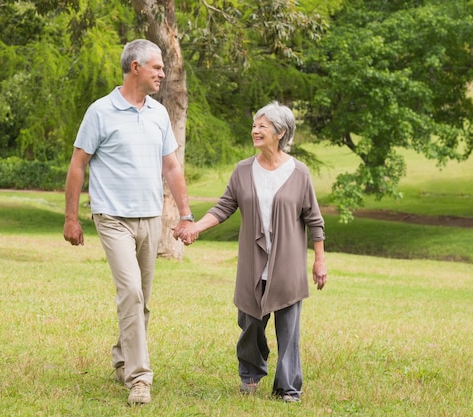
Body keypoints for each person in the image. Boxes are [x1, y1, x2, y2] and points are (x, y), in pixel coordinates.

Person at [63, 39, 195, 406]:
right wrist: (71, 218)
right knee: (131, 293)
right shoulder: (100, 112)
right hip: (112, 217)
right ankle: (139, 378)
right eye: (156, 67)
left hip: (150, 217)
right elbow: (78, 165)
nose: (162, 73)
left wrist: (185, 214)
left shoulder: (157, 114)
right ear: (135, 67)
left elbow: (171, 166)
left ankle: (123, 359)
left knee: (143, 298)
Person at [174, 101, 327, 403]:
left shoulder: (299, 173)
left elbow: (314, 220)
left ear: (281, 132)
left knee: (289, 331)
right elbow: (224, 207)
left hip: (288, 266)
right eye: (255, 125)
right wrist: (196, 228)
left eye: (263, 126)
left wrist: (320, 260)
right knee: (250, 325)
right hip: (252, 265)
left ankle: (288, 388)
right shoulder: (243, 170)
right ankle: (250, 374)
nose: (255, 130)